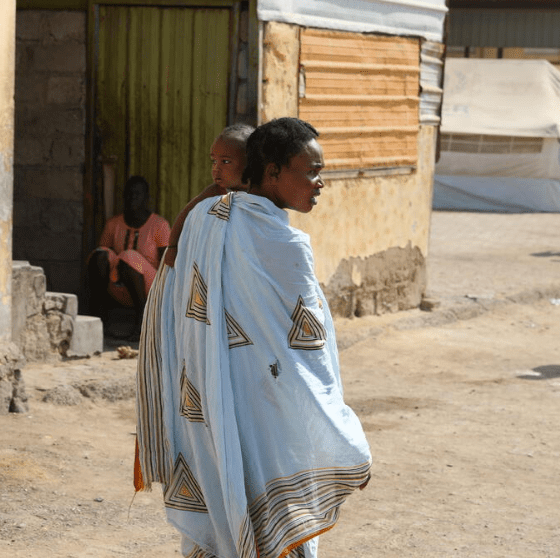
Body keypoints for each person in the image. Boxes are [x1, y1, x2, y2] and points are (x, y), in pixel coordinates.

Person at [135, 118, 371, 558]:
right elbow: (310, 357)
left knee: (228, 502)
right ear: (273, 172)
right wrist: (341, 431)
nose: (321, 183)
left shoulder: (206, 218)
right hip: (268, 406)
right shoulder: (286, 244)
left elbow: (169, 280)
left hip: (211, 399)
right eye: (312, 171)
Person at [161, 123, 254, 268]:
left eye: (226, 161)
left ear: (250, 164)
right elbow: (185, 214)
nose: (216, 168)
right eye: (214, 161)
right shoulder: (216, 191)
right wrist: (172, 247)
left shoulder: (259, 194)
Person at [87, 175, 170, 323]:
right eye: (129, 194)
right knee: (100, 255)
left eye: (137, 194)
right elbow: (103, 260)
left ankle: (142, 322)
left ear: (146, 198)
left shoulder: (159, 225)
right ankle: (100, 317)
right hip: (118, 288)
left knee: (129, 258)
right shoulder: (113, 223)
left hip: (149, 290)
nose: (132, 198)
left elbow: (168, 265)